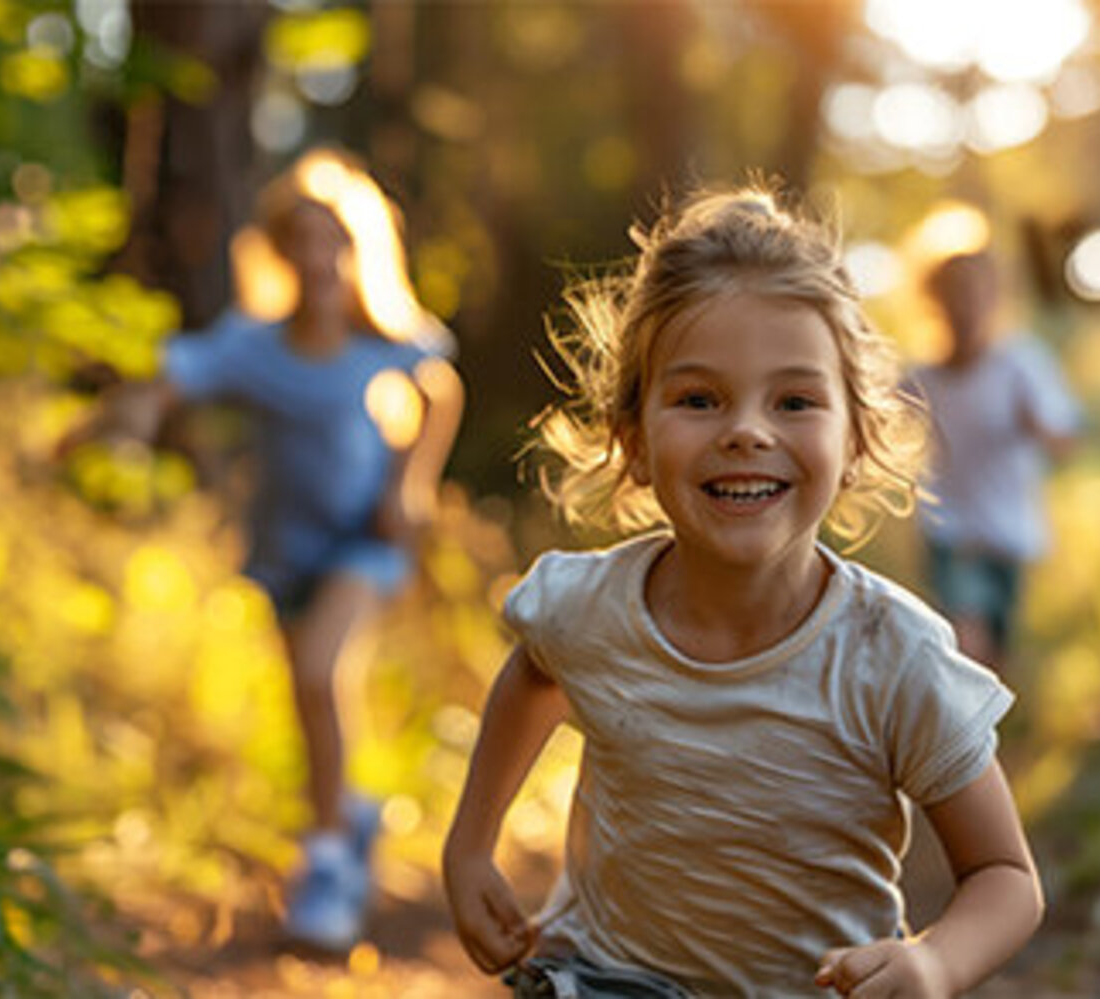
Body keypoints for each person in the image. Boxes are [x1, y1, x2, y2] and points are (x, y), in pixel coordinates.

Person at [442, 187, 1043, 997]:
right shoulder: (589, 608)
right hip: (607, 976)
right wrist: (472, 841)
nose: (747, 431)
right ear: (636, 440)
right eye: (699, 400)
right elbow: (536, 674)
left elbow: (1006, 875)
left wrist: (933, 959)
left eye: (794, 401)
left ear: (856, 439)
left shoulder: (892, 655)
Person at [61, 149, 464, 952]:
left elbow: (440, 388)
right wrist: (93, 430)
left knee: (322, 672)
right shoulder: (254, 346)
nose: (320, 259)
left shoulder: (384, 338)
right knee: (311, 704)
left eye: (334, 241)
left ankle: (328, 873)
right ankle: (348, 817)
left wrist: (407, 485)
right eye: (302, 242)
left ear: (358, 249)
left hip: (363, 546)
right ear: (280, 253)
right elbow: (164, 384)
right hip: (285, 555)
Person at [910, 249, 1081, 674]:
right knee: (966, 646)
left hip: (1009, 532)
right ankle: (951, 736)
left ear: (994, 298)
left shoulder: (1022, 364)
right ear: (936, 302)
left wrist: (1038, 426)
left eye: (974, 292)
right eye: (953, 293)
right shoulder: (921, 378)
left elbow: (1066, 443)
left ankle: (985, 738)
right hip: (949, 530)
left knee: (995, 662)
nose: (964, 305)